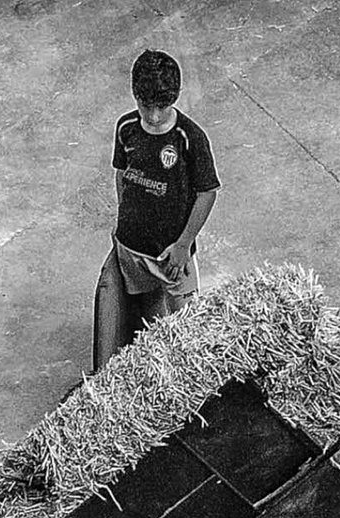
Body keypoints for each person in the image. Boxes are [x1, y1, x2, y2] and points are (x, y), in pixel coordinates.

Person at [91, 48, 221, 371]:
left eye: (161, 107)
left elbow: (207, 193)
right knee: (148, 315)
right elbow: (122, 175)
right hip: (132, 251)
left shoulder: (189, 139)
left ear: (174, 99)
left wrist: (182, 245)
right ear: (135, 96)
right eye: (146, 106)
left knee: (185, 326)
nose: (152, 116)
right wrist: (127, 221)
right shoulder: (126, 129)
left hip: (171, 257)